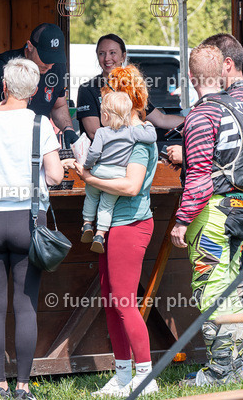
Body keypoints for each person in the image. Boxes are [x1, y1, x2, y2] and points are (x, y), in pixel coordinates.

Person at [167, 32, 243, 376]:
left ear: (192, 78)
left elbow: (197, 176)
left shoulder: (201, 117)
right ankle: (239, 365)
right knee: (232, 287)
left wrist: (182, 219)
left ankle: (218, 370)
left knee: (211, 289)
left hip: (213, 213)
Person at [0, 58, 65, 400]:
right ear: (36, 91)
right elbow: (54, 176)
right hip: (27, 219)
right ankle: (23, 387)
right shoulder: (41, 122)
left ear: (4, 87)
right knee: (25, 305)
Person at [63, 64, 160, 397]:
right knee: (111, 301)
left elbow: (131, 186)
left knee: (123, 302)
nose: (103, 99)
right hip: (114, 227)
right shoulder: (121, 133)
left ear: (124, 98)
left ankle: (145, 376)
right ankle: (122, 375)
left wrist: (88, 178)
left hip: (129, 224)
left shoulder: (139, 137)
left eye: (108, 94)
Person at [0, 23, 78, 146]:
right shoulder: (4, 64)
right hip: (2, 141)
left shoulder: (57, 67)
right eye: (45, 58)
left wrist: (68, 128)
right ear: (30, 46)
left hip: (38, 139)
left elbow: (59, 106)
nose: (50, 65)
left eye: (54, 58)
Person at [81, 90, 157, 253]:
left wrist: (87, 166)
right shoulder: (132, 132)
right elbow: (151, 137)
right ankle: (100, 234)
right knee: (107, 205)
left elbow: (94, 153)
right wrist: (148, 124)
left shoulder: (101, 132)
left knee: (92, 196)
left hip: (99, 171)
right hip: (117, 175)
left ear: (106, 116)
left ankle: (87, 224)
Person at [76, 34, 184, 140]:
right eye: (102, 53)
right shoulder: (87, 89)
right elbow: (94, 133)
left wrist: (194, 121)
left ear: (123, 56)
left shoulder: (130, 87)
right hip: (103, 156)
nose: (107, 58)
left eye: (112, 53)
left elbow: (161, 119)